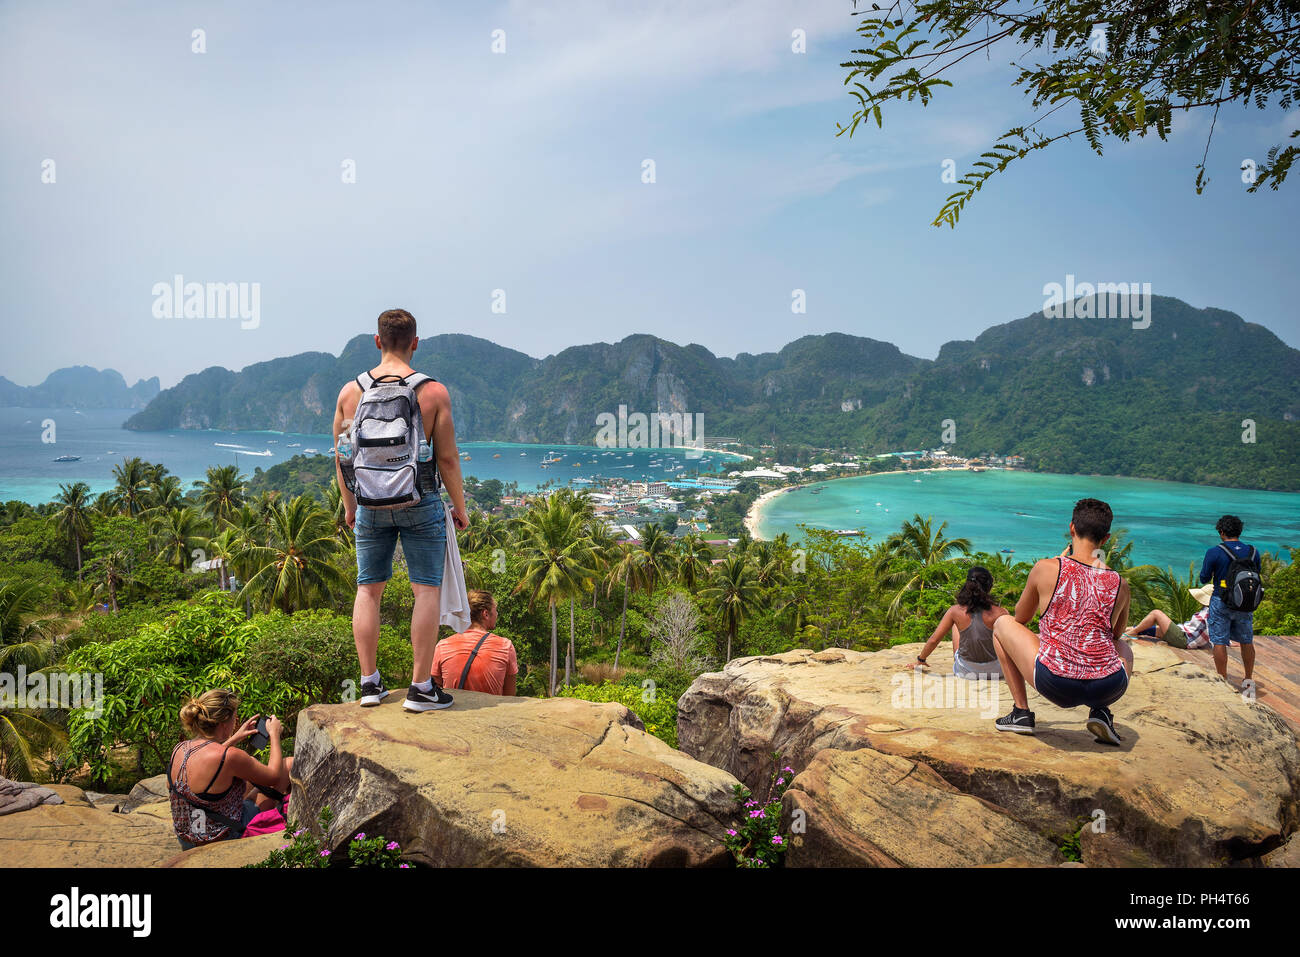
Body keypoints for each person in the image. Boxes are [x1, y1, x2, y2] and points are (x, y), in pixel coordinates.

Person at [333, 308, 470, 713]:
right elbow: (447, 460)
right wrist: (459, 508)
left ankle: (370, 684)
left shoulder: (349, 393)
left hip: (370, 504)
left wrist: (350, 506)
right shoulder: (433, 393)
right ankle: (420, 688)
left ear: (377, 341)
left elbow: (341, 457)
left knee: (368, 589)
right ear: (414, 343)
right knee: (425, 589)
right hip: (421, 499)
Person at [989, 498, 1133, 745]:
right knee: (1124, 648)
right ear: (1106, 538)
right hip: (1107, 686)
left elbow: (1021, 617)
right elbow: (1116, 635)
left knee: (1001, 624)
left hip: (1057, 683)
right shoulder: (1120, 583)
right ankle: (1101, 712)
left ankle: (1021, 713)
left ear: (1072, 528)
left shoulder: (1046, 568)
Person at [167, 689, 292, 850]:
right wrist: (274, 734)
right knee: (288, 764)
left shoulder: (180, 749)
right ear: (224, 722)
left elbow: (207, 759)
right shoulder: (230, 756)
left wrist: (234, 738)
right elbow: (274, 776)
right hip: (222, 837)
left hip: (187, 840)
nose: (236, 721)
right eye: (235, 717)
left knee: (246, 775)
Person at [908, 566, 1009, 678]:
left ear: (967, 585)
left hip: (966, 671)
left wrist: (920, 660)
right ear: (989, 586)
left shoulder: (955, 611)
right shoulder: (1001, 612)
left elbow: (934, 639)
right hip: (996, 670)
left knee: (957, 624)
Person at [1199, 515, 1262, 692]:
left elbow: (1204, 577)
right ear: (1239, 531)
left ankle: (1223, 680)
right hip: (1244, 602)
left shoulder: (1214, 552)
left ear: (1221, 532)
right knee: (1246, 641)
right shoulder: (1253, 551)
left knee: (1219, 641)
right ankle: (1248, 679)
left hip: (1221, 600)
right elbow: (1256, 573)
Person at [431, 590, 519, 696]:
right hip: (492, 711)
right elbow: (510, 696)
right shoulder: (505, 646)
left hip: (455, 710)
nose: (497, 614)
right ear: (486, 614)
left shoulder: (442, 646)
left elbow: (436, 690)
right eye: (495, 610)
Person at [1123, 584, 1213, 649]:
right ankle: (1125, 630)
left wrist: (1215, 649)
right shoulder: (1208, 610)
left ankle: (1132, 632)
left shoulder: (1210, 614)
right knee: (1151, 629)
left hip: (1184, 639)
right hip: (1183, 634)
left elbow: (1213, 632)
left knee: (1156, 613)